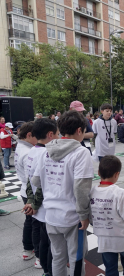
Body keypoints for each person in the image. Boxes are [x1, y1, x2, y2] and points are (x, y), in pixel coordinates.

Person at [31, 110, 94, 276]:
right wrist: (84, 215)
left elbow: (36, 181)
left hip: (50, 216)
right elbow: (81, 188)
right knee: (76, 257)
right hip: (72, 217)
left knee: (58, 257)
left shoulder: (47, 151)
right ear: (79, 131)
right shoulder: (81, 152)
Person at [24, 118, 59, 275]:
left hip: (37, 207)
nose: (59, 137)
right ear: (50, 134)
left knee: (42, 240)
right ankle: (49, 270)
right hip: (44, 208)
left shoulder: (31, 151)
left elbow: (29, 180)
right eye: (58, 134)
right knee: (50, 244)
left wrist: (31, 202)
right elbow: (42, 185)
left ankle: (45, 267)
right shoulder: (46, 153)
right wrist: (35, 204)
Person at [90, 155, 124, 276]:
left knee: (110, 267)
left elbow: (91, 217)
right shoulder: (120, 193)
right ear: (117, 174)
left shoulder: (92, 192)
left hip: (104, 239)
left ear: (98, 172)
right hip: (122, 237)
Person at [15, 122, 37, 262]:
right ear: (29, 135)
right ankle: (35, 253)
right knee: (35, 224)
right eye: (37, 136)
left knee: (30, 222)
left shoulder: (20, 146)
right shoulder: (29, 152)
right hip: (30, 193)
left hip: (25, 191)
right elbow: (33, 180)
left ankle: (28, 249)